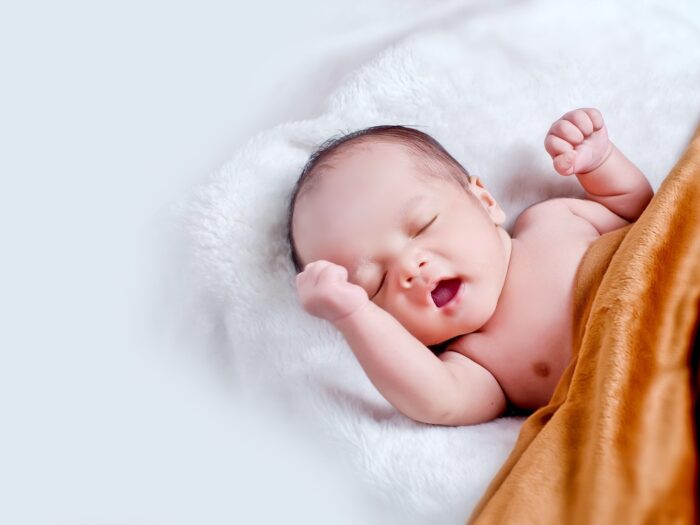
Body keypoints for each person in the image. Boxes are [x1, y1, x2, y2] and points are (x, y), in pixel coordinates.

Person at [286, 108, 654, 425]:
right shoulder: (478, 364)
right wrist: (352, 315)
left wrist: (602, 162)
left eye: (423, 225)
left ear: (484, 200)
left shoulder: (553, 219)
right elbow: (435, 401)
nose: (411, 268)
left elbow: (640, 215)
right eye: (376, 283)